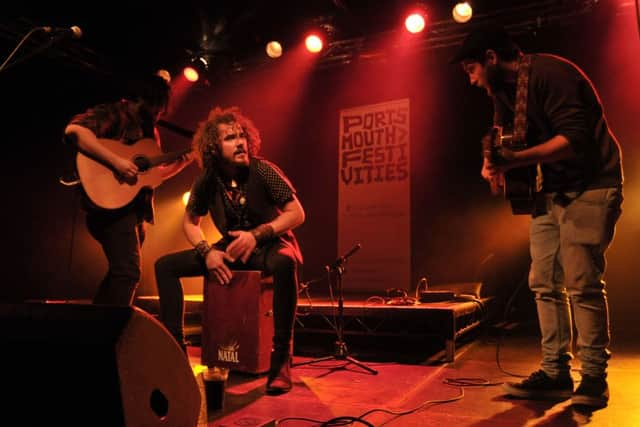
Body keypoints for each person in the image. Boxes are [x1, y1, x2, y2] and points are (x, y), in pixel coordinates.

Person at [452, 25, 623, 408]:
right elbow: (501, 138)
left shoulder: (552, 74)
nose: (471, 78)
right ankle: (555, 372)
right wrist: (491, 162)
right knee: (543, 281)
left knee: (582, 282)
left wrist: (515, 161)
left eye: (471, 68)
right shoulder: (504, 92)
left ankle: (594, 378)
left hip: (592, 185)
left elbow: (574, 140)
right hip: (552, 190)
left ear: (492, 58)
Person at [154, 106, 305, 395]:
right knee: (165, 266)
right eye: (230, 138)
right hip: (230, 249)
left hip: (269, 244)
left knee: (284, 263)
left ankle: (281, 358)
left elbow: (296, 213)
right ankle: (175, 352)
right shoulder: (207, 181)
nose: (240, 142)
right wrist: (206, 251)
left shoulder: (263, 170)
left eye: (241, 136)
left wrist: (258, 234)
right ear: (212, 147)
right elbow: (190, 221)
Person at [64, 71, 193, 306]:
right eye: (156, 107)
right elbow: (75, 131)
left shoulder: (149, 132)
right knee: (128, 273)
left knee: (119, 274)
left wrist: (183, 162)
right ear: (143, 99)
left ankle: (89, 329)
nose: (159, 114)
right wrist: (116, 162)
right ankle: (109, 337)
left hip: (133, 212)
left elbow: (150, 176)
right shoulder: (115, 113)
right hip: (111, 209)